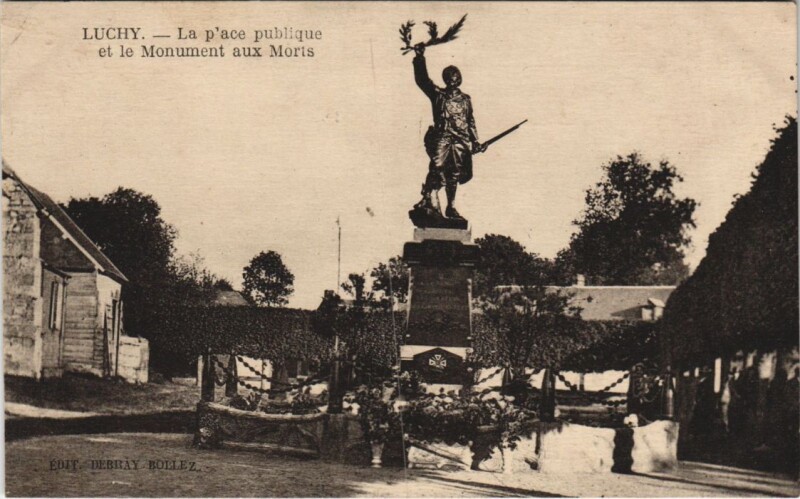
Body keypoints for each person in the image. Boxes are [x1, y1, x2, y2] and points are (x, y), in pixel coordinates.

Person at [412, 44, 483, 220]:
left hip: (460, 140)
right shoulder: (438, 95)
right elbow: (423, 80)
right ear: (445, 79)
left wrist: (475, 141)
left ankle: (451, 207)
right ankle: (428, 200)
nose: (453, 79)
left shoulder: (466, 100)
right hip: (442, 138)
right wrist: (420, 58)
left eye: (455, 76)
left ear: (460, 79)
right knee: (436, 168)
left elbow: (470, 120)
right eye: (450, 77)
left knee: (454, 175)